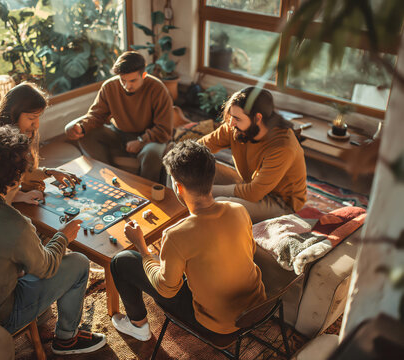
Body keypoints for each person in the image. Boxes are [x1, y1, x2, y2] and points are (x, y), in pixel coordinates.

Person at [0, 125, 107, 355]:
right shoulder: (15, 225)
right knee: (78, 262)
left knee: (22, 262)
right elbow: (46, 267)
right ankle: (67, 339)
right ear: (15, 178)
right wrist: (63, 237)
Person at [110, 140, 266, 341]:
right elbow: (249, 251)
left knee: (121, 261)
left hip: (219, 327)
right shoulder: (238, 210)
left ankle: (137, 326)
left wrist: (142, 247)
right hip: (258, 308)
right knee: (177, 263)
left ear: (178, 186)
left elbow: (165, 290)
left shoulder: (176, 235)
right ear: (210, 177)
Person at [198, 86, 307, 223]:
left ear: (257, 118)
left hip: (279, 202)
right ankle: (184, 217)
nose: (231, 123)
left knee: (219, 204)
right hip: (248, 184)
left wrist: (205, 191)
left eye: (236, 118)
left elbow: (254, 192)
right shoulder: (235, 126)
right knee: (188, 169)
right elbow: (200, 147)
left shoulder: (282, 146)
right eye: (231, 116)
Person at [64, 51, 173, 182]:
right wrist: (81, 127)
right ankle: (107, 177)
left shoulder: (158, 89)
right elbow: (96, 115)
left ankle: (147, 189)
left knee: (153, 154)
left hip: (150, 138)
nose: (127, 86)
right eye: (123, 80)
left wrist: (141, 141)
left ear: (144, 75)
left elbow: (164, 129)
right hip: (118, 133)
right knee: (86, 135)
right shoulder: (109, 86)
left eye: (133, 80)